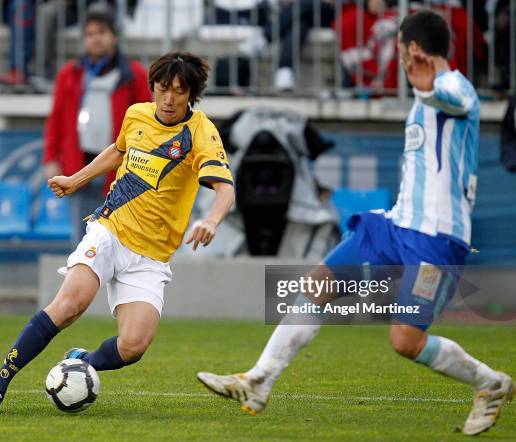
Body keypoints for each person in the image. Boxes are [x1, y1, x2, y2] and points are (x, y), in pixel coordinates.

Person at [197, 10, 513, 437]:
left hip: (436, 238)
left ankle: (490, 383)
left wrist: (429, 87)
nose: (400, 58)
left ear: (414, 49)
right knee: (319, 282)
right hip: (397, 225)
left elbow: (455, 99)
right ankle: (259, 379)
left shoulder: (456, 89)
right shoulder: (424, 98)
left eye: (401, 48)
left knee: (405, 341)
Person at [0, 51, 236, 415]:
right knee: (68, 307)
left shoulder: (200, 132)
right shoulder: (137, 115)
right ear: (154, 87)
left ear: (192, 93)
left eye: (179, 90)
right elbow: (118, 150)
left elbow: (225, 188)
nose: (170, 99)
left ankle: (84, 362)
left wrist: (212, 221)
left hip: (151, 256)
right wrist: (75, 179)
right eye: (163, 89)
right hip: (110, 231)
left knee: (134, 346)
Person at [42, 9, 151, 246]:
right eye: (90, 33)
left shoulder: (133, 75)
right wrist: (51, 158)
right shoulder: (70, 74)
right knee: (81, 242)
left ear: (114, 36)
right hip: (79, 166)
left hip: (119, 169)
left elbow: (148, 123)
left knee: (116, 241)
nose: (96, 38)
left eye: (102, 32)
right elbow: (56, 119)